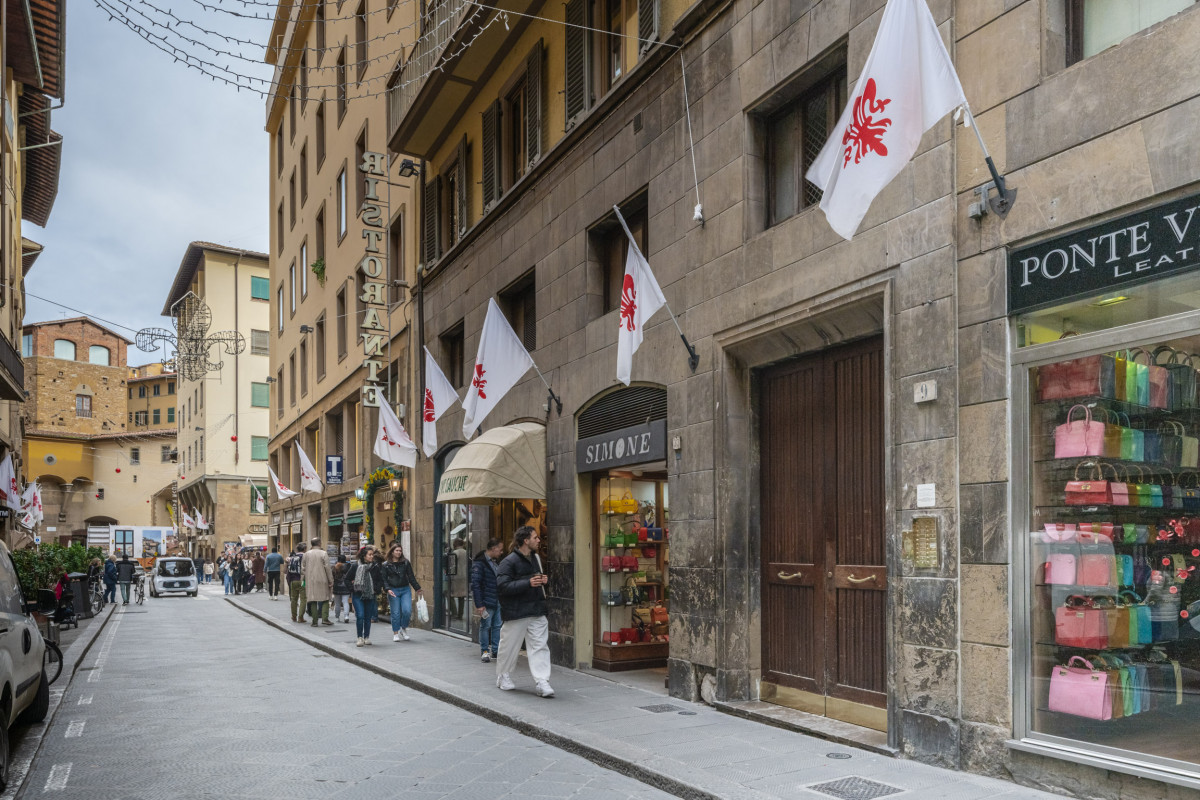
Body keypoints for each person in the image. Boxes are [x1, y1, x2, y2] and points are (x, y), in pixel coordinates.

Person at [495, 526, 553, 697]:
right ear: (526, 541)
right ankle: (503, 675)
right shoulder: (508, 562)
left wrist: (543, 580)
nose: (538, 540)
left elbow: (535, 580)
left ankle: (542, 681)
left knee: (540, 646)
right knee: (509, 645)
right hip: (516, 611)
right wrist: (528, 583)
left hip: (536, 609)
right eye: (535, 537)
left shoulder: (536, 558)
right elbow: (502, 587)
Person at [471, 538, 504, 663]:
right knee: (486, 626)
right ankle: (485, 651)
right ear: (494, 548)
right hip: (487, 601)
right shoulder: (480, 563)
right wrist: (479, 604)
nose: (501, 552)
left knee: (497, 626)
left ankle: (495, 650)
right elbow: (475, 585)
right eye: (500, 549)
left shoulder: (495, 562)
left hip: (497, 600)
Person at [382, 543, 422, 642]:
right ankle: (395, 633)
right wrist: (387, 589)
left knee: (407, 611)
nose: (399, 552)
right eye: (397, 550)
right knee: (395, 613)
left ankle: (403, 629)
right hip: (393, 590)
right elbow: (384, 579)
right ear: (392, 551)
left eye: (400, 551)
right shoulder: (386, 565)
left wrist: (417, 588)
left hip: (405, 589)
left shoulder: (405, 563)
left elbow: (411, 576)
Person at [347, 545, 382, 646]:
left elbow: (380, 580)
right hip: (358, 595)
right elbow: (347, 579)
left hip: (370, 595)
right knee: (360, 616)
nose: (372, 557)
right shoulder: (355, 566)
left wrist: (376, 589)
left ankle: (366, 637)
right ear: (364, 556)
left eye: (372, 555)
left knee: (367, 617)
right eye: (370, 555)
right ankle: (359, 637)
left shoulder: (375, 567)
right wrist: (353, 589)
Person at [301, 538, 333, 627]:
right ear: (319, 543)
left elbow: (302, 569)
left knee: (313, 600)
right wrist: (331, 580)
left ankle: (314, 621)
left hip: (310, 580)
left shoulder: (306, 554)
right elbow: (327, 568)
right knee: (325, 599)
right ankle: (325, 618)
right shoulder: (323, 553)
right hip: (323, 580)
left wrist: (307, 575)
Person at [287, 546, 307, 622]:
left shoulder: (292, 557)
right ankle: (300, 617)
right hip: (302, 581)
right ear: (304, 549)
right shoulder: (305, 557)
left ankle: (293, 616)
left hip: (293, 581)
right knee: (303, 599)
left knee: (293, 599)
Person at [450, 538, 468, 620]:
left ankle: (454, 613)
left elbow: (452, 566)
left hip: (456, 577)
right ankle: (460, 614)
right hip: (464, 576)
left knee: (450, 595)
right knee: (462, 597)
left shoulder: (455, 553)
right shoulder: (466, 552)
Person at [331, 554, 352, 623]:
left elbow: (332, 577)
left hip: (336, 587)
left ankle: (337, 616)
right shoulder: (349, 566)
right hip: (346, 586)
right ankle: (346, 616)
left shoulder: (334, 567)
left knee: (337, 603)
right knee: (345, 602)